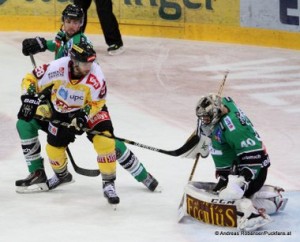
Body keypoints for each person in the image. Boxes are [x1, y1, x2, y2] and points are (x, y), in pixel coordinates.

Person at [17, 4, 158, 193]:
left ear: (82, 23)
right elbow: (58, 48)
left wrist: (40, 96)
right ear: (63, 21)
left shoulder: (79, 44)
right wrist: (43, 44)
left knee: (105, 139)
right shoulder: (65, 37)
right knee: (26, 124)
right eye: (68, 21)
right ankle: (37, 172)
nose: (71, 26)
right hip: (62, 101)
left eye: (76, 22)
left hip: (84, 101)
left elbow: (64, 69)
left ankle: (141, 174)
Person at [17, 41, 123, 204]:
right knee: (53, 149)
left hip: (90, 108)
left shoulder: (96, 76)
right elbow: (31, 77)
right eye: (84, 63)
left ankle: (109, 183)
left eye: (90, 63)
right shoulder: (58, 67)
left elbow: (97, 102)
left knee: (105, 140)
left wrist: (83, 116)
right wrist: (30, 96)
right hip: (62, 110)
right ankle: (62, 175)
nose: (88, 67)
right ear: (73, 61)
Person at [181, 93, 287, 230]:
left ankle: (252, 215)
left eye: (207, 118)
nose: (205, 121)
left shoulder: (235, 129)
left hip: (254, 170)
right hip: (236, 164)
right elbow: (223, 98)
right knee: (222, 189)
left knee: (228, 195)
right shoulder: (225, 105)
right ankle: (265, 197)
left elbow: (256, 157)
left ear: (217, 112)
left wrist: (241, 182)